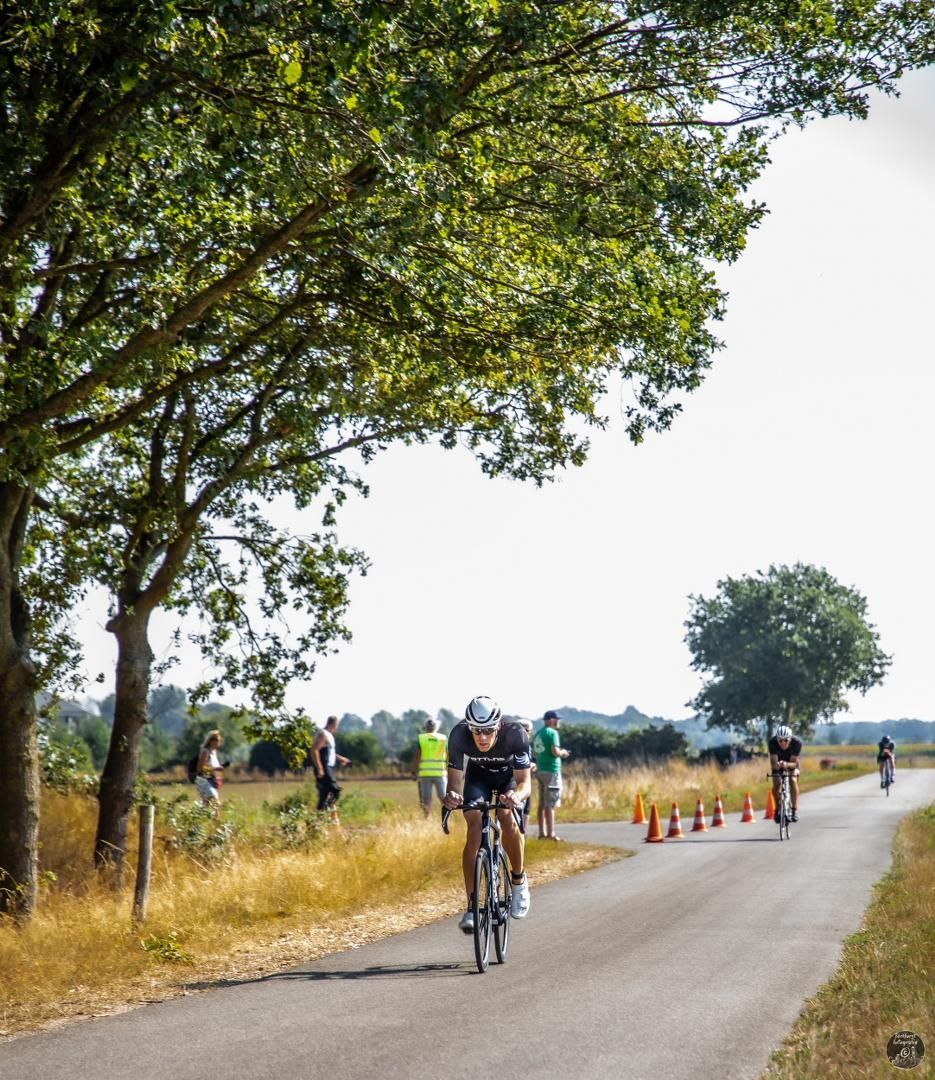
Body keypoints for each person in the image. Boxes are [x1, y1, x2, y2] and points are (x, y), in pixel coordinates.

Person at [442, 695, 532, 932]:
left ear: (498, 726)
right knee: (473, 824)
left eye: (488, 730)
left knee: (506, 818)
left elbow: (525, 782)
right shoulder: (459, 735)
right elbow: (454, 782)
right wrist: (451, 796)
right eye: (476, 730)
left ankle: (519, 880)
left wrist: (516, 796)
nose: (482, 737)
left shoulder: (515, 734)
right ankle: (472, 906)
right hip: (478, 777)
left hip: (508, 778)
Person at [533, 709, 570, 840]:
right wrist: (563, 752)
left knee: (542, 803)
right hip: (552, 770)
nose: (559, 721)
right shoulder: (552, 733)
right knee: (551, 804)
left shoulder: (538, 733)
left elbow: (536, 753)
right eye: (557, 719)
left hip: (541, 769)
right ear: (551, 720)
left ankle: (541, 833)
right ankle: (551, 834)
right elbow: (555, 751)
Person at [312, 715, 351, 823]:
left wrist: (340, 759)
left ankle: (316, 822)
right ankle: (328, 812)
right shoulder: (323, 734)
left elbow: (330, 752)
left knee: (324, 795)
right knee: (335, 790)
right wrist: (320, 768)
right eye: (337, 725)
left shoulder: (329, 735)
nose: (337, 728)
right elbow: (314, 750)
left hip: (328, 767)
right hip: (324, 767)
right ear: (334, 724)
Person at [412, 717, 448, 816]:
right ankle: (446, 818)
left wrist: (414, 772)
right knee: (444, 798)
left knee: (426, 799)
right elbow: (449, 755)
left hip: (425, 774)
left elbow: (417, 756)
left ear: (425, 727)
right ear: (436, 727)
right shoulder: (443, 738)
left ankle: (426, 817)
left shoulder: (422, 738)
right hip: (440, 773)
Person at [768, 724, 801, 822]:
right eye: (780, 740)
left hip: (791, 763)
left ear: (790, 739)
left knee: (792, 780)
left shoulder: (797, 743)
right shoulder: (772, 743)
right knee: (776, 784)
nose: (783, 743)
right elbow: (773, 763)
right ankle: (778, 810)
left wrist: (786, 764)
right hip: (778, 764)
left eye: (786, 740)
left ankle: (794, 810)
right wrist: (777, 765)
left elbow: (794, 763)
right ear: (777, 739)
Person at [195, 729, 227, 814]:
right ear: (211, 741)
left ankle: (208, 823)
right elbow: (199, 769)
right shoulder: (206, 751)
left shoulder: (214, 752)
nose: (218, 742)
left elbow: (211, 766)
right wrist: (216, 769)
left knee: (208, 805)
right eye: (216, 740)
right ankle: (215, 823)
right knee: (215, 802)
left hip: (211, 780)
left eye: (219, 740)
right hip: (203, 780)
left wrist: (219, 768)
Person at [517, 718, 536, 834]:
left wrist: (533, 765)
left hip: (524, 779)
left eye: (527, 731)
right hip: (518, 781)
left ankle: (521, 833)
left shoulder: (528, 746)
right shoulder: (525, 745)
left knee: (526, 807)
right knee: (524, 807)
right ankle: (521, 833)